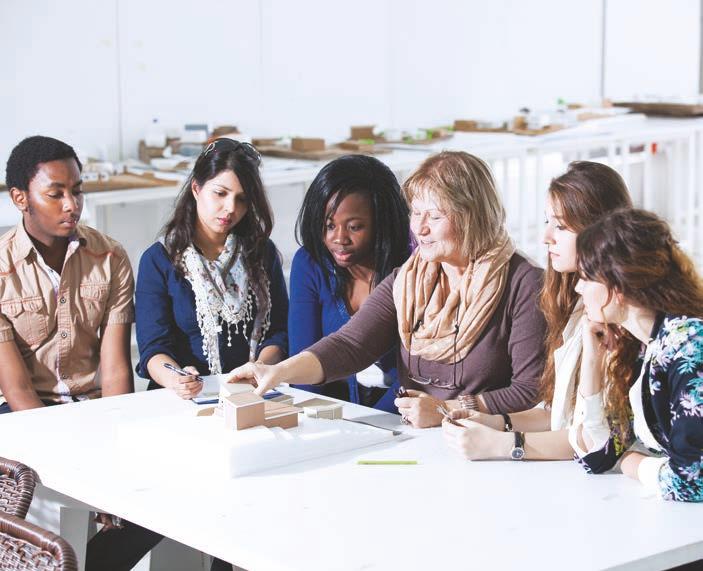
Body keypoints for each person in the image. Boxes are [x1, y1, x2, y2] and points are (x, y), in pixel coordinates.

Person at [225, 151, 546, 428]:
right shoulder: (410, 278)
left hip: (479, 442)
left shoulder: (523, 282)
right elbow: (350, 345)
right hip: (412, 433)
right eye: (416, 214)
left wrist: (449, 410)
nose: (420, 228)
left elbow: (529, 390)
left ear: (472, 217)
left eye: (434, 216)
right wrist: (277, 371)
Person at [0, 135, 161, 570]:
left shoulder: (110, 257)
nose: (72, 204)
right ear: (20, 198)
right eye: (56, 194)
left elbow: (115, 371)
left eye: (77, 190)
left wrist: (115, 450)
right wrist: (86, 469)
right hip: (26, 414)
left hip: (97, 409)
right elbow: (16, 389)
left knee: (165, 492)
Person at [442, 162, 633, 460]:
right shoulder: (576, 302)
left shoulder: (622, 317)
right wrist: (495, 422)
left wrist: (503, 445)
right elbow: (559, 414)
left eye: (560, 226)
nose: (546, 237)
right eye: (548, 222)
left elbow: (598, 438)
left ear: (598, 230)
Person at [135, 137, 288, 397]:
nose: (230, 208)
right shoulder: (159, 259)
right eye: (220, 193)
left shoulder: (262, 253)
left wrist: (261, 368)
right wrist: (176, 379)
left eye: (242, 199)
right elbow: (153, 347)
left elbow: (280, 331)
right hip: (187, 398)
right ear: (196, 189)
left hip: (255, 391)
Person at [573, 208, 703, 502]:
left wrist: (634, 464)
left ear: (615, 288)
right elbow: (599, 456)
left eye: (585, 277)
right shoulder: (645, 345)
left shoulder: (690, 345)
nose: (578, 287)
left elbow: (692, 481)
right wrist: (592, 362)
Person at [289, 155, 410, 411]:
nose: (339, 238)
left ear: (382, 223)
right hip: (331, 410)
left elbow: (414, 377)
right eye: (328, 225)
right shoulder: (310, 263)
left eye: (355, 227)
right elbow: (302, 365)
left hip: (402, 410)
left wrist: (372, 426)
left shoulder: (413, 269)